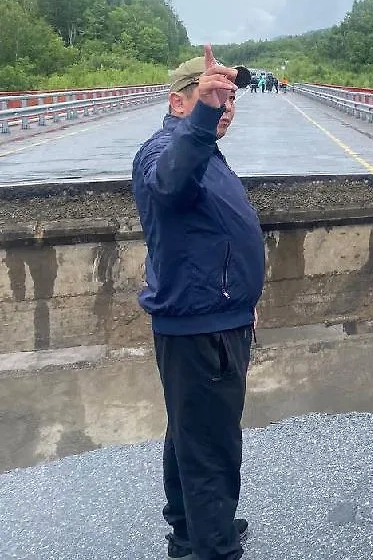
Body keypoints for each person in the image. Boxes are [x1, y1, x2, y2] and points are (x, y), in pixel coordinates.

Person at [132, 47, 265, 560]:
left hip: (213, 314)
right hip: (200, 327)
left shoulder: (202, 148)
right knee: (212, 447)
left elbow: (213, 237)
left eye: (229, 100)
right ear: (178, 102)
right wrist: (204, 120)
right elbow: (169, 184)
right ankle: (214, 546)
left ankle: (190, 532)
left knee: (190, 434)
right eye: (211, 99)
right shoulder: (166, 150)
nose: (225, 108)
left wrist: (243, 299)